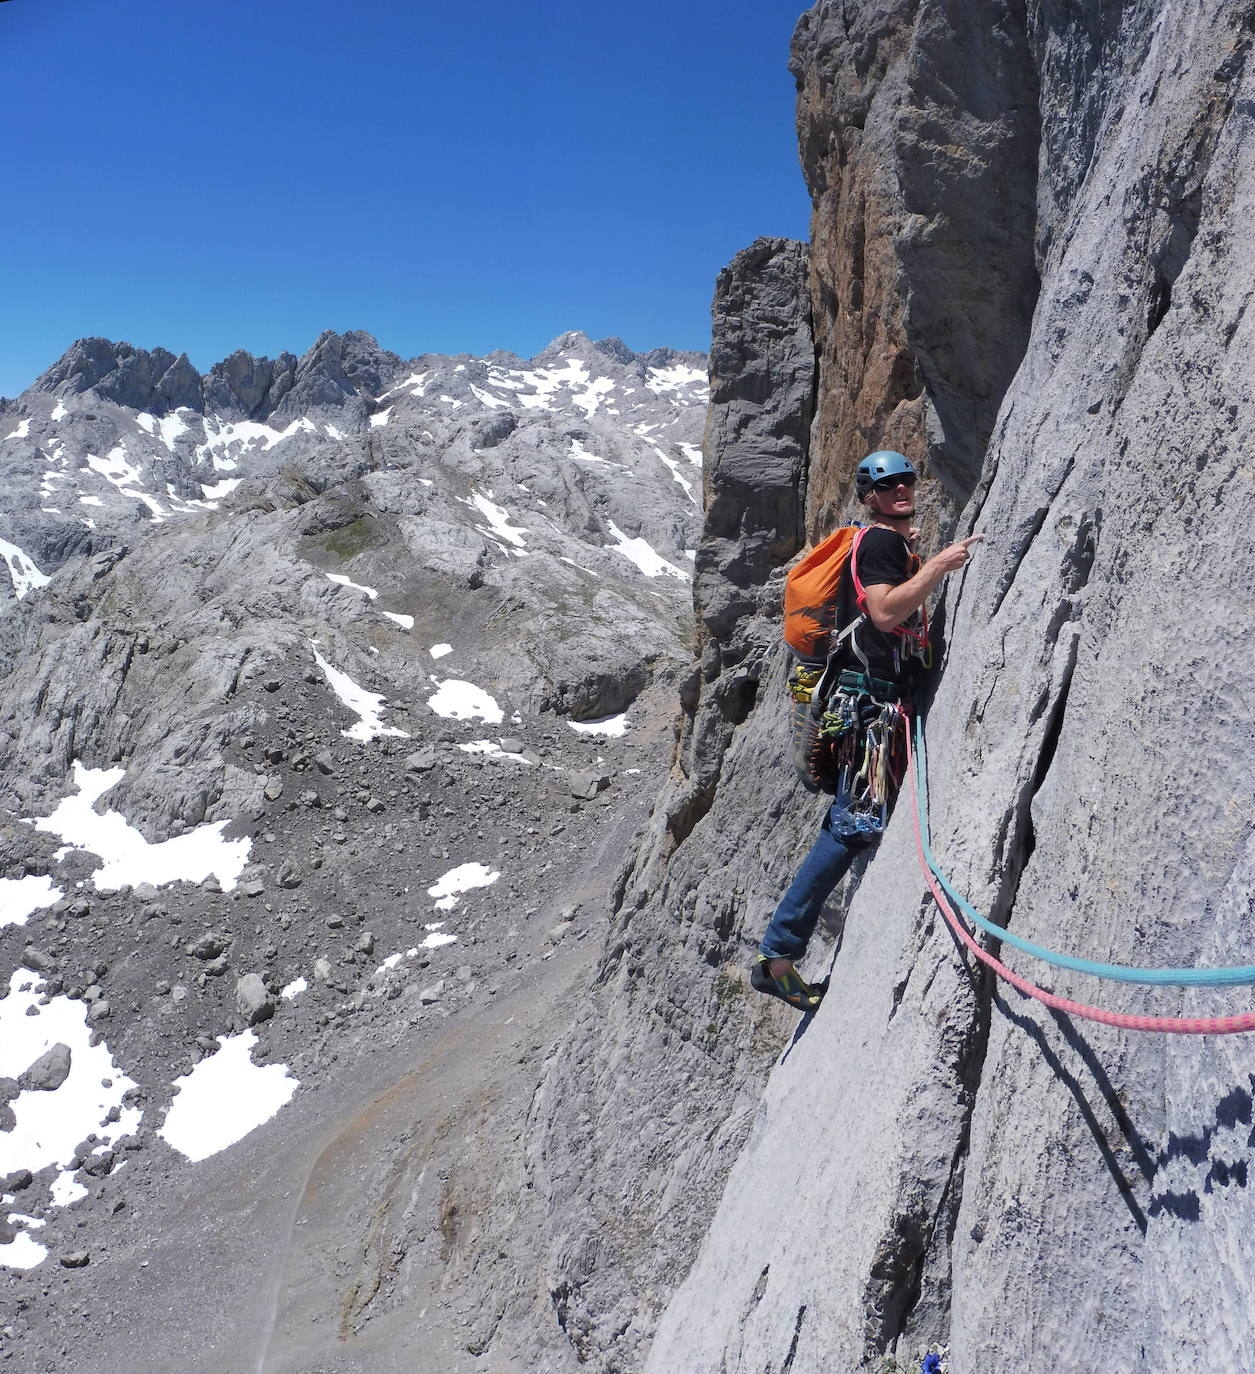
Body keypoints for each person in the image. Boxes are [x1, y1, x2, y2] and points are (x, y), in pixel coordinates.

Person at [752, 450, 983, 1011]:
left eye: (905, 480)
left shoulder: (890, 543)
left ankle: (780, 952)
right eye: (888, 485)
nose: (901, 489)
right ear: (871, 497)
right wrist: (937, 568)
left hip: (869, 705)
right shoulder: (880, 542)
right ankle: (778, 958)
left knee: (849, 825)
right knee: (850, 827)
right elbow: (882, 613)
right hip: (867, 711)